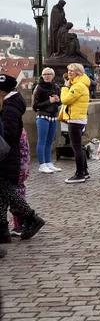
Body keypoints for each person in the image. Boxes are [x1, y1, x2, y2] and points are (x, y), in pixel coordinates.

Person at [0, 73, 46, 245]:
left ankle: (31, 217)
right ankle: (4, 230)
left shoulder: (9, 108)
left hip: (7, 156)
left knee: (6, 189)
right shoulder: (11, 105)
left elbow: (9, 134)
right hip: (9, 156)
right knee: (3, 192)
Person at [60, 63, 91, 183]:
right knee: (79, 146)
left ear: (77, 72)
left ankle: (79, 174)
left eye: (71, 71)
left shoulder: (78, 86)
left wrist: (65, 88)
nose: (69, 73)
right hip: (78, 118)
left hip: (75, 119)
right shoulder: (81, 84)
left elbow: (65, 100)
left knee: (76, 147)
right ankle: (84, 171)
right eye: (68, 71)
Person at [32, 67, 62, 174]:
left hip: (53, 116)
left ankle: (48, 162)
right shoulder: (38, 88)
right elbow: (35, 106)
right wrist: (49, 101)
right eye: (44, 74)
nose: (46, 76)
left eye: (49, 74)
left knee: (50, 141)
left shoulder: (57, 87)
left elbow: (59, 103)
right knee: (42, 141)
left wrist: (58, 101)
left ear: (53, 76)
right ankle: (42, 164)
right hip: (42, 117)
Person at [10, 129, 31, 237]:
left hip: (17, 165)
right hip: (21, 163)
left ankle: (22, 222)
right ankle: (23, 222)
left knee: (14, 192)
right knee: (16, 191)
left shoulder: (10, 115)